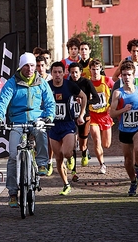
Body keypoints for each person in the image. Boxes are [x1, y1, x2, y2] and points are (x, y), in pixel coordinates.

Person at [0, 52, 55, 207]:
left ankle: (41, 163)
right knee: (13, 156)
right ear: (21, 66)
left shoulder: (41, 82)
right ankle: (12, 193)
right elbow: (2, 102)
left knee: (41, 132)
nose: (30, 68)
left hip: (36, 120)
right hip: (17, 122)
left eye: (32, 65)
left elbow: (50, 103)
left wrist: (49, 117)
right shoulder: (11, 83)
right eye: (26, 65)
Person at [110, 60, 138, 196]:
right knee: (127, 160)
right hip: (125, 130)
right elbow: (111, 113)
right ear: (121, 76)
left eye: (129, 75)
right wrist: (123, 110)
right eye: (124, 75)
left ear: (134, 76)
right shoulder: (118, 93)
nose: (126, 78)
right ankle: (133, 181)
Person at [48, 61, 87, 195]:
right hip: (53, 126)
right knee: (58, 158)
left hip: (68, 124)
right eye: (55, 72)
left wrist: (81, 114)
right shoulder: (47, 87)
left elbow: (84, 96)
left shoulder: (70, 85)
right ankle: (66, 184)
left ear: (64, 73)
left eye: (60, 72)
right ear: (51, 73)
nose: (57, 75)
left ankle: (71, 157)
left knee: (66, 153)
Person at [112, 38, 138, 152]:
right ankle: (134, 136)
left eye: (137, 51)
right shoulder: (125, 62)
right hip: (128, 91)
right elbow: (115, 76)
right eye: (133, 51)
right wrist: (123, 83)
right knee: (134, 115)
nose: (135, 53)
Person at [68, 62, 99, 182]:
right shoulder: (67, 83)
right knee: (72, 143)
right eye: (72, 72)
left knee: (81, 145)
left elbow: (96, 98)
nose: (74, 75)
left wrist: (85, 103)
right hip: (71, 117)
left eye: (76, 72)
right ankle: (73, 167)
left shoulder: (86, 82)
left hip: (84, 116)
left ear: (81, 72)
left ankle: (85, 151)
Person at [89, 59, 114, 174]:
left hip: (105, 115)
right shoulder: (87, 82)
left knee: (106, 144)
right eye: (93, 69)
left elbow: (116, 91)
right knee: (96, 140)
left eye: (97, 69)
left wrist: (112, 105)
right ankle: (102, 164)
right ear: (90, 70)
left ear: (100, 69)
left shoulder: (107, 80)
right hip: (93, 115)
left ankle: (102, 160)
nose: (95, 72)